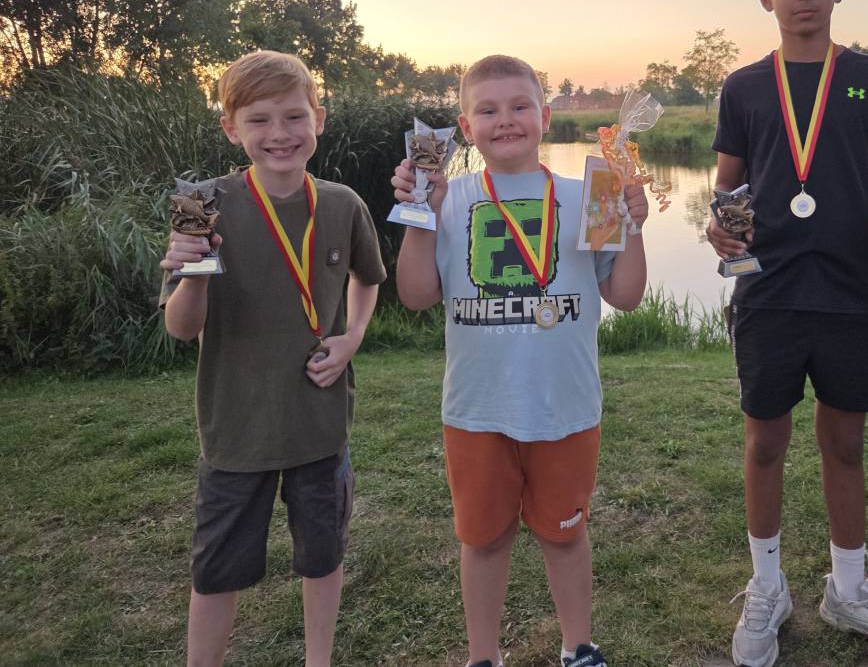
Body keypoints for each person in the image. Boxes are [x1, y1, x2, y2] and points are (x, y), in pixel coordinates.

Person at [706, 0, 868, 666]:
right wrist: (718, 227)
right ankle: (767, 586)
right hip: (768, 291)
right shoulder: (744, 86)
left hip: (851, 288)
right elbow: (728, 188)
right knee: (765, 442)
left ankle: (850, 587)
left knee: (845, 443)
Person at [391, 54, 649, 667]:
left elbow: (626, 296)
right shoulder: (448, 198)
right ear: (465, 126)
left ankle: (577, 646)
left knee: (566, 536)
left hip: (566, 406)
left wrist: (634, 226)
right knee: (483, 540)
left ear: (546, 117)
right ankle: (483, 656)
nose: (504, 120)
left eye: (519, 106)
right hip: (477, 409)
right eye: (487, 110)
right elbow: (416, 295)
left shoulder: (588, 195)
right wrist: (420, 212)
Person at [160, 51, 385, 667]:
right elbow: (181, 328)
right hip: (236, 428)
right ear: (231, 129)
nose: (279, 134)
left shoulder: (342, 204)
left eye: (293, 116)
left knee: (323, 557)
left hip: (319, 423)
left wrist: (352, 337)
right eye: (258, 120)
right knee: (216, 571)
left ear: (320, 119)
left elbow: (368, 279)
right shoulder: (204, 204)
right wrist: (193, 271)